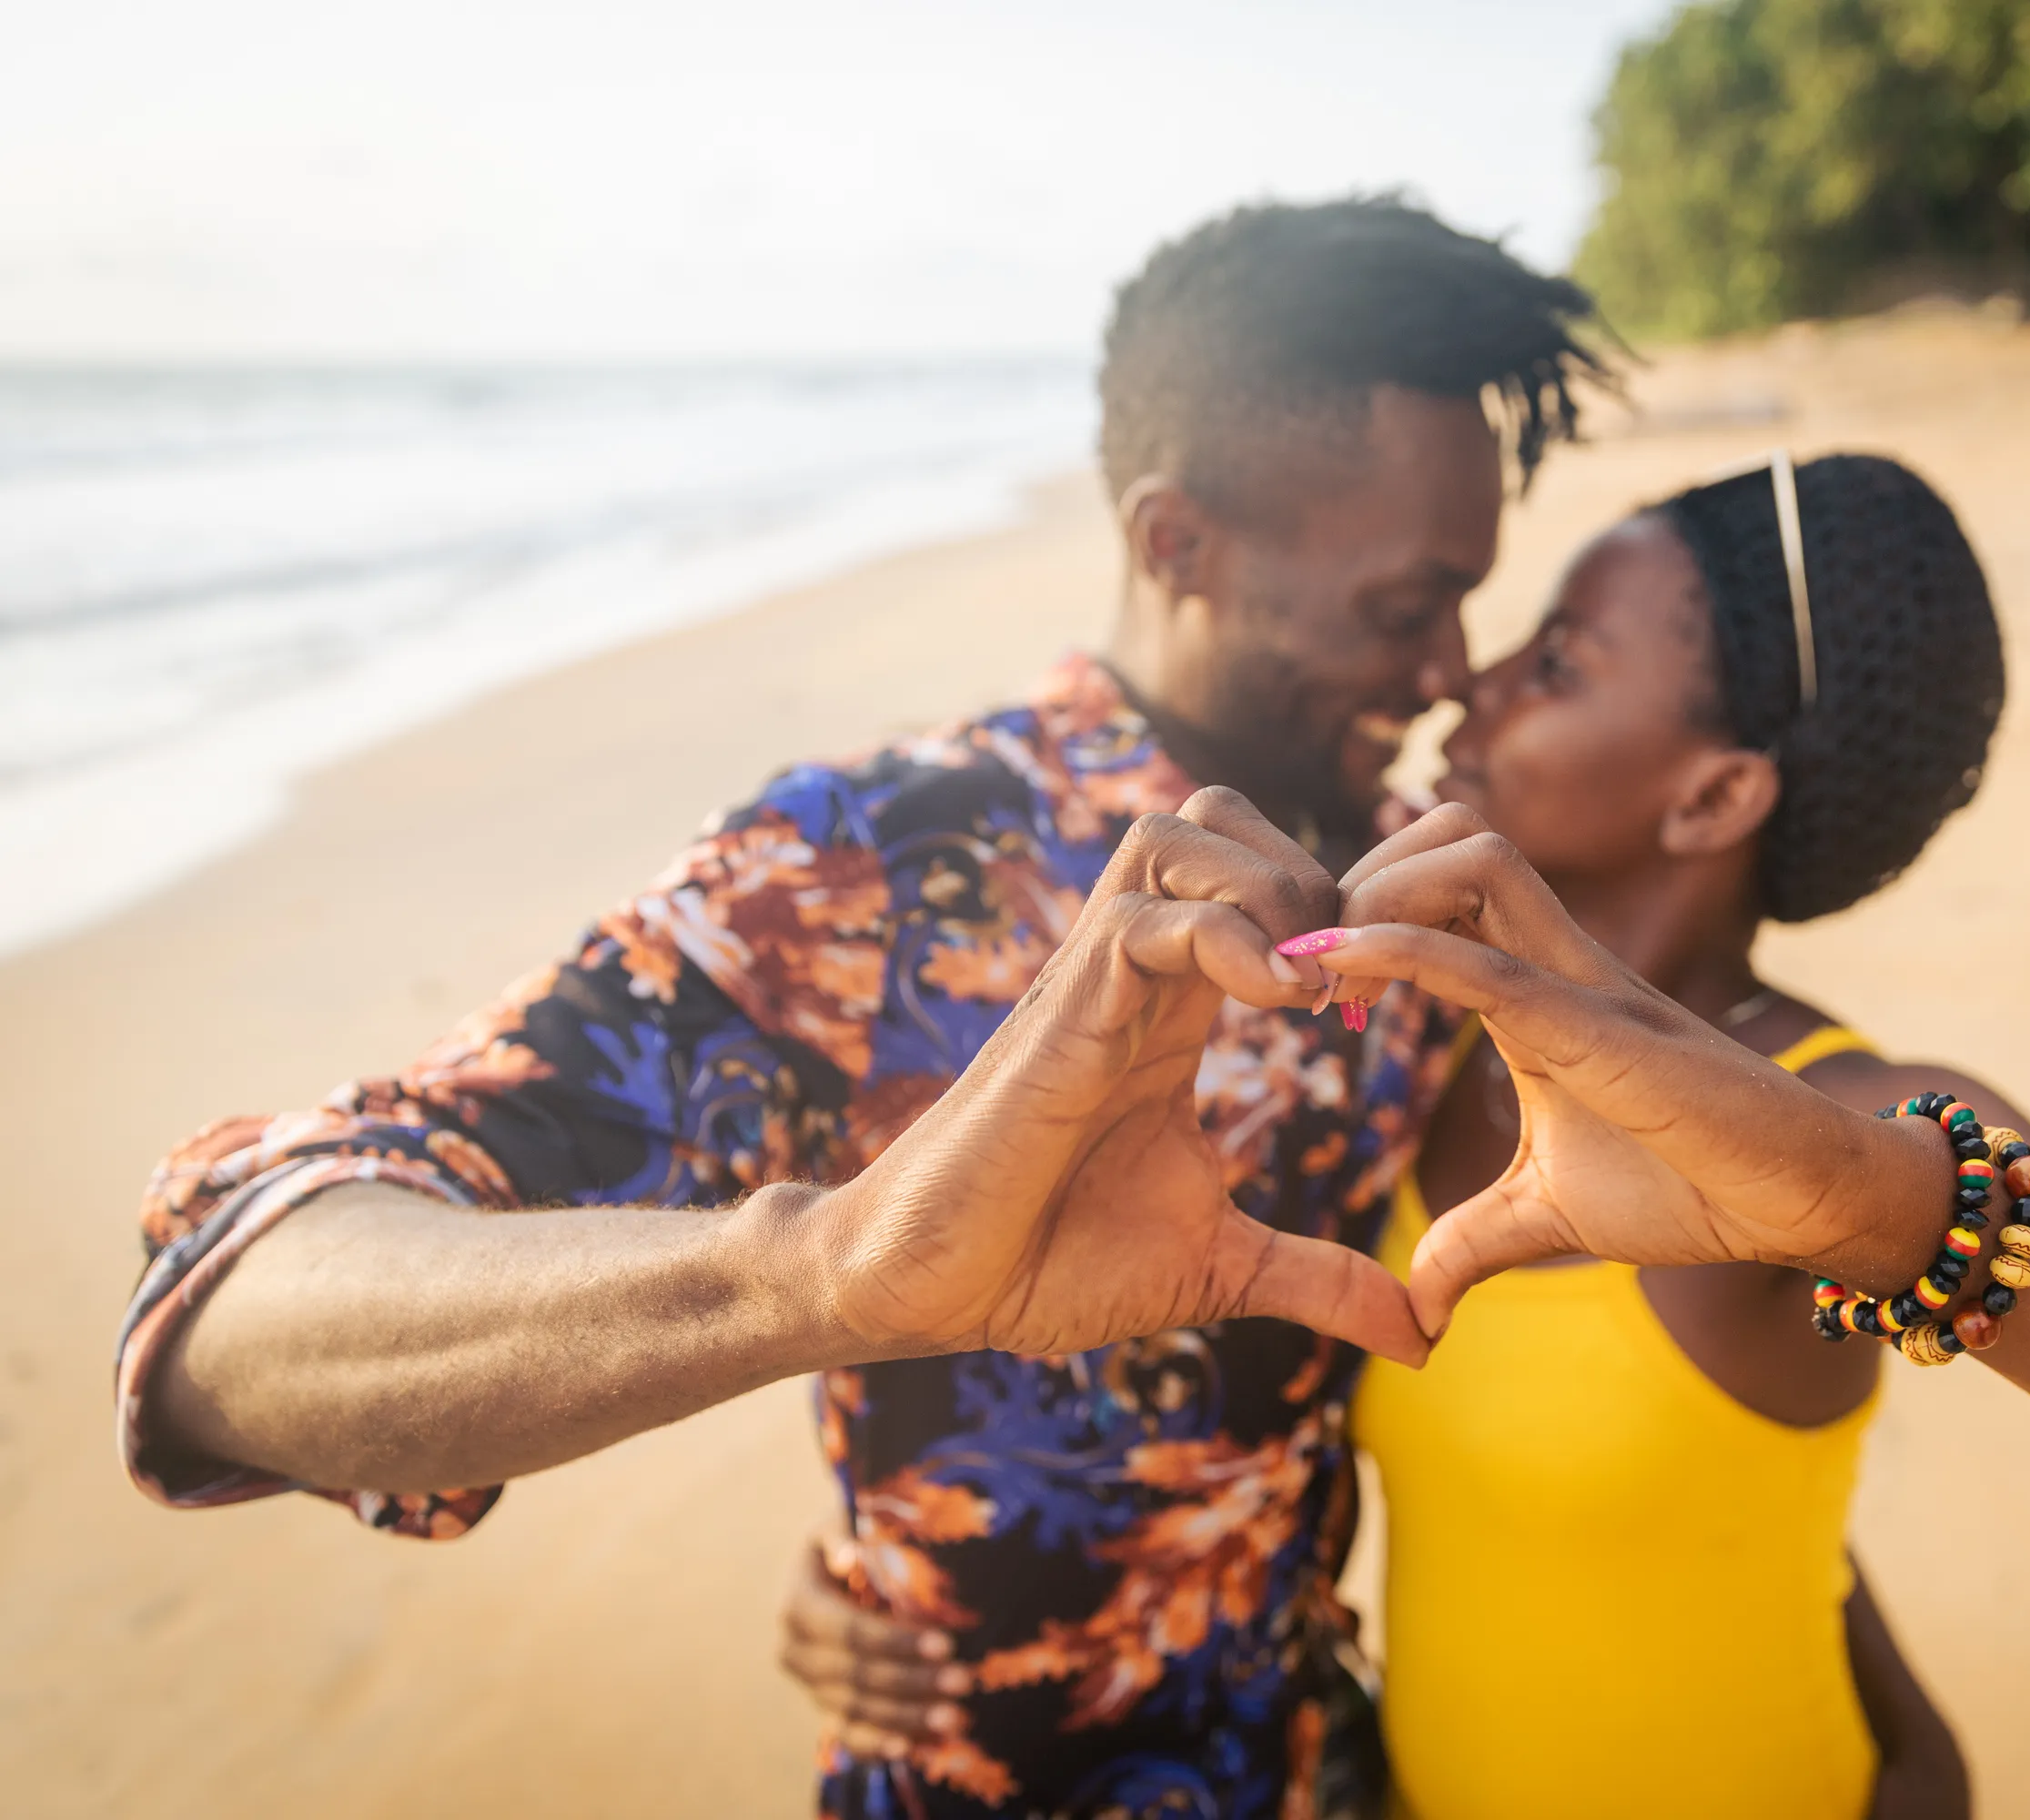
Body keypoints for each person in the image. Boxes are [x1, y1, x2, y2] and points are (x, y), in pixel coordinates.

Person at [116, 198, 1615, 1817]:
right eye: (1406, 606)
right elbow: (230, 1314)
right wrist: (815, 1279)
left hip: (1322, 1765)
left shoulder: (1393, 867)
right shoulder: (873, 859)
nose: (1458, 664)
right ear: (1177, 544)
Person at [778, 455, 2030, 1817]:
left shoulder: (1839, 1108)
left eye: (1557, 662)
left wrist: (1874, 1205)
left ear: (1711, 799)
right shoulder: (1405, 1064)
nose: (1474, 678)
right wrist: (889, 1592)